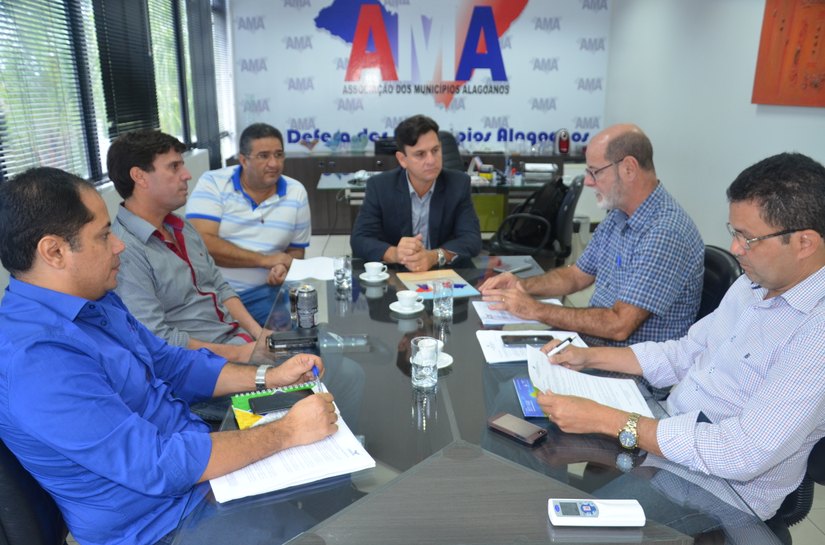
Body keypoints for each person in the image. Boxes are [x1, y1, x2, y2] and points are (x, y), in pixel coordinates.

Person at [0, 167, 338, 545]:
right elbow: (155, 464)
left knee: (333, 492)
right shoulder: (36, 360)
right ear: (55, 251)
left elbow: (170, 363)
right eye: (104, 234)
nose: (119, 246)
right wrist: (286, 432)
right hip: (163, 524)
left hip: (194, 466)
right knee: (327, 534)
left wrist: (267, 377)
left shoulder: (95, 301)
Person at [536, 152, 825, 521]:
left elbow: (741, 453)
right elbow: (687, 353)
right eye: (733, 233)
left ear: (804, 243)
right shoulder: (753, 285)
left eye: (748, 239)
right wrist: (588, 357)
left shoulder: (816, 332)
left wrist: (611, 421)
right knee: (538, 447)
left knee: (565, 524)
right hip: (668, 441)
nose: (736, 250)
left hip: (720, 492)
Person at [481, 124, 704, 346]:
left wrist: (536, 309)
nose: (588, 181)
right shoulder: (619, 216)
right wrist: (522, 286)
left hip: (624, 368)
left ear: (628, 168)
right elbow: (577, 275)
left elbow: (618, 326)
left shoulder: (665, 232)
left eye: (594, 172)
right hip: (591, 346)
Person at [108, 129, 260, 363]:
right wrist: (238, 354)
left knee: (315, 361)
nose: (187, 175)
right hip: (201, 367)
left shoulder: (181, 227)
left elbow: (219, 286)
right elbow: (156, 338)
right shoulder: (124, 250)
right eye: (174, 167)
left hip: (237, 344)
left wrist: (260, 336)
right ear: (140, 176)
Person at [186, 123, 310, 325]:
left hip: (269, 292)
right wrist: (264, 260)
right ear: (243, 160)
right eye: (263, 156)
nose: (274, 163)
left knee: (304, 327)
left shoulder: (296, 192)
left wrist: (282, 267)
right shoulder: (213, 183)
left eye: (279, 155)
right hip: (215, 294)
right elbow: (202, 244)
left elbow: (296, 251)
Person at [350, 114, 481, 272]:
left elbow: (471, 239)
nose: (431, 160)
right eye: (420, 154)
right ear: (402, 159)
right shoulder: (380, 187)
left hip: (441, 274)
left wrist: (434, 256)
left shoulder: (458, 184)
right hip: (396, 275)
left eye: (435, 150)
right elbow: (360, 239)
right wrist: (396, 254)